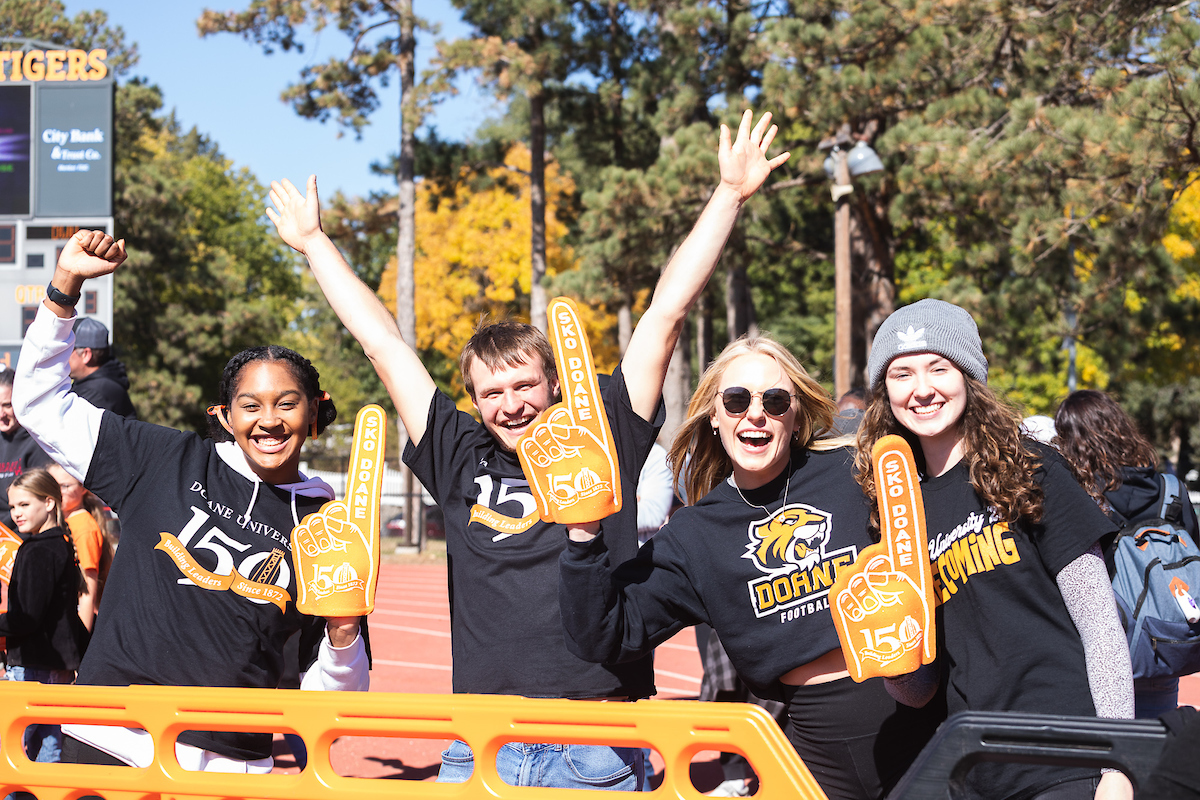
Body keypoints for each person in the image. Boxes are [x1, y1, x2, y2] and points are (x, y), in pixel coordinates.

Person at [266, 109, 790, 790]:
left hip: (597, 737)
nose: (510, 404)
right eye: (490, 393)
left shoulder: (603, 431)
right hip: (478, 740)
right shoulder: (459, 453)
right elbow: (385, 346)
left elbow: (665, 315)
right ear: (474, 402)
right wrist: (314, 243)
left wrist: (728, 195)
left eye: (524, 385)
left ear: (552, 384)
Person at [13, 230, 369, 774]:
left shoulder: (330, 527)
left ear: (314, 413)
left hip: (232, 769)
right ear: (224, 417)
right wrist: (64, 288)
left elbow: (334, 700)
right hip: (109, 740)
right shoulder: (162, 460)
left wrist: (344, 633)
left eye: (287, 404)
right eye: (250, 405)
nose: (268, 421)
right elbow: (39, 401)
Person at [558, 333, 942, 800]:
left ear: (796, 414)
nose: (755, 413)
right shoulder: (695, 534)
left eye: (776, 401)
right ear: (714, 415)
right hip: (809, 758)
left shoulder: (856, 470)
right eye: (737, 399)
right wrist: (582, 531)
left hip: (925, 725)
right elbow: (604, 635)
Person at [856, 299, 1134, 800]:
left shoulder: (1032, 469)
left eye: (938, 368)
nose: (921, 389)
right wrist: (886, 654)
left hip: (1069, 758)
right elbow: (918, 692)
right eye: (901, 374)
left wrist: (1119, 762)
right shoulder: (897, 509)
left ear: (968, 375)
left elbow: (1099, 622)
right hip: (973, 769)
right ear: (885, 392)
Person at [1054, 389, 1200, 718]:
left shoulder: (1080, 497)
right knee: (1154, 747)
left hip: (1105, 650)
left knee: (1110, 756)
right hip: (1166, 641)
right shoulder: (1170, 489)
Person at [1, 468, 90, 767]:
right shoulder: (62, 545)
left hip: (32, 666)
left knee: (11, 752)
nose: (16, 513)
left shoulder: (38, 550)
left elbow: (27, 618)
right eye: (12, 506)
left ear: (49, 503)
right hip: (58, 668)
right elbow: (65, 614)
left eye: (24, 505)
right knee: (48, 749)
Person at [47, 463, 112, 632]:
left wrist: (80, 637)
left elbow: (88, 588)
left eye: (65, 486)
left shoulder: (83, 527)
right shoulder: (66, 523)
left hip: (81, 623)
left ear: (83, 487)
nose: (57, 492)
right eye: (52, 485)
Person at [0, 368, 53, 532]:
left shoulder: (37, 442)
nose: (1, 414)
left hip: (23, 536)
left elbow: (39, 503)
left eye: (7, 405)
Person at [68, 317, 137, 419]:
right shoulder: (97, 383)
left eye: (67, 349)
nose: (61, 355)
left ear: (86, 354)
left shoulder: (95, 392)